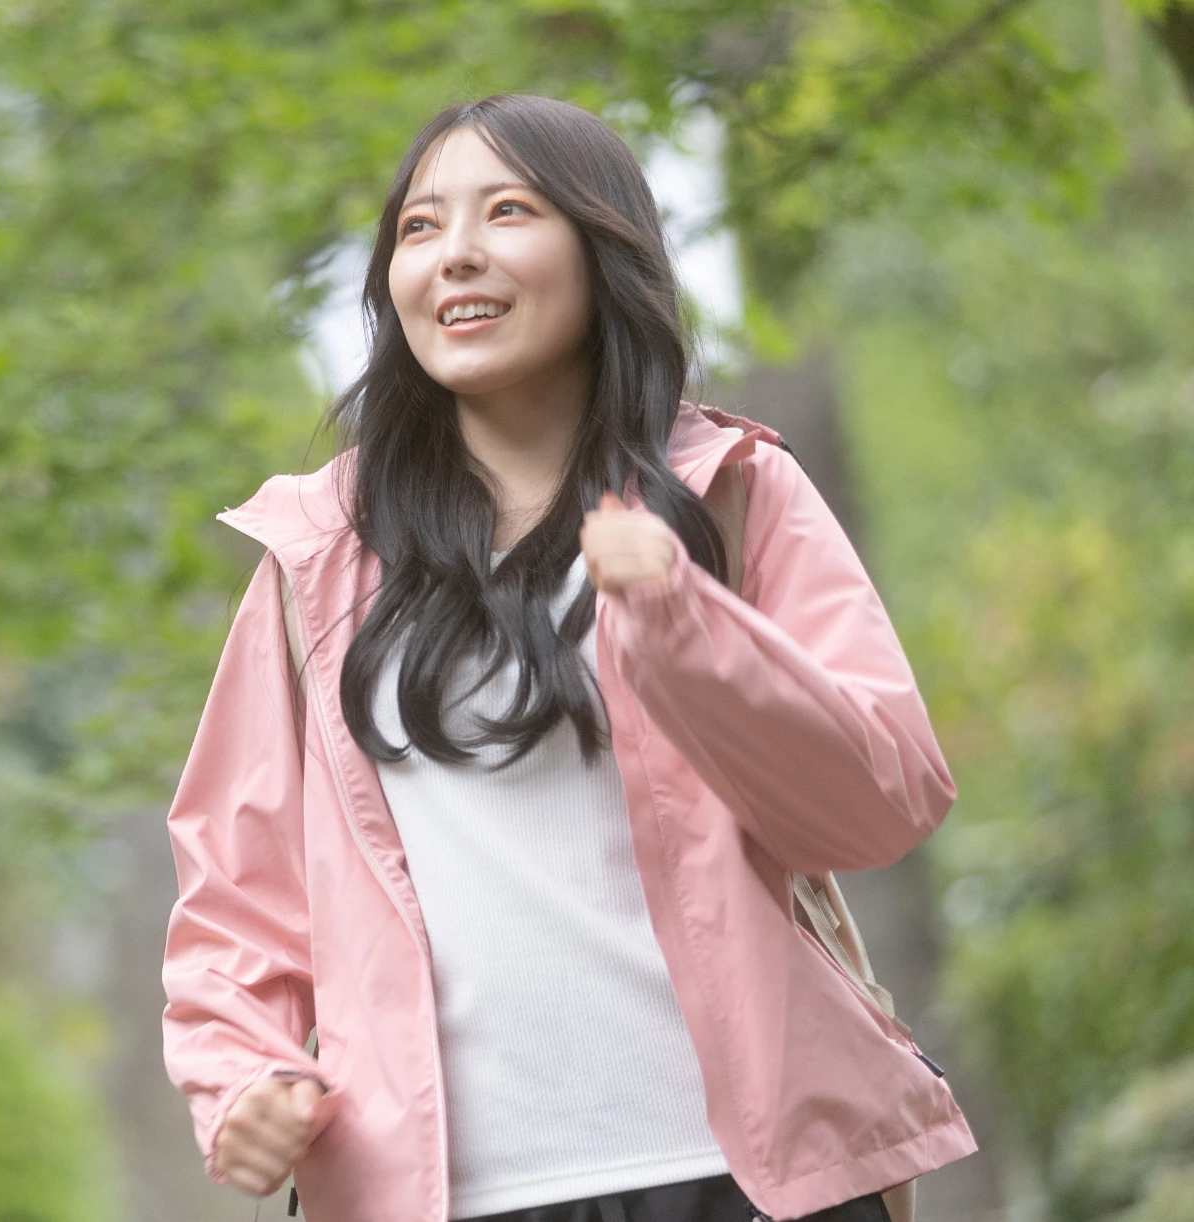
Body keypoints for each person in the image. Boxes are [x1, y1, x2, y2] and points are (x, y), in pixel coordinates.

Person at [159, 94, 975, 1222]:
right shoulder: (318, 555)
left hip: (745, 1181)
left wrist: (685, 627)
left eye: (507, 211)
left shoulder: (732, 493)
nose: (457, 256)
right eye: (419, 228)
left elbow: (878, 803)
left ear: (603, 251)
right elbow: (236, 902)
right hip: (441, 1195)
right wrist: (247, 1074)